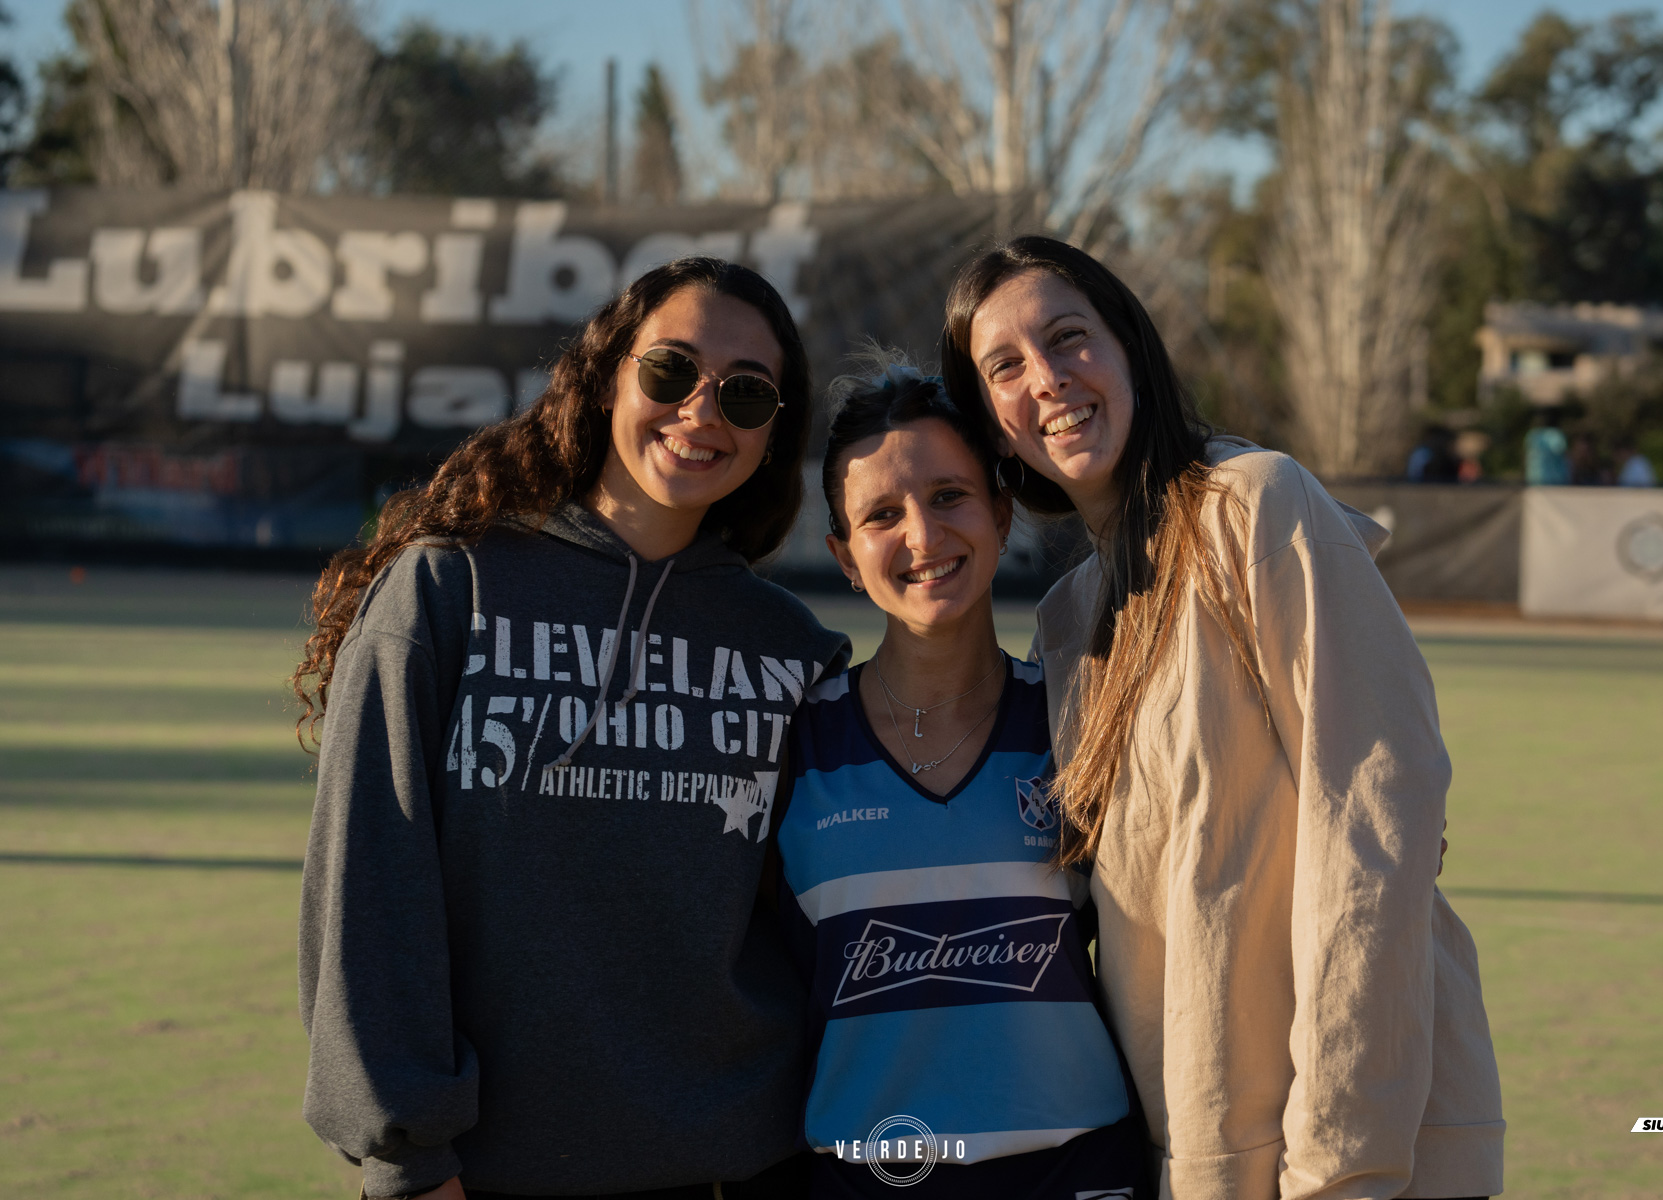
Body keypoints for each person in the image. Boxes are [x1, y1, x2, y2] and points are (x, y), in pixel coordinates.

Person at [940, 237, 1504, 1200]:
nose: (1048, 378)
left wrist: (1339, 1160)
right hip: (1198, 1146)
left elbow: (1373, 826)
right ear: (993, 426)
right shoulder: (1070, 619)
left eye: (1068, 337)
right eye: (1006, 366)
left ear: (1129, 348)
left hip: (1347, 1154)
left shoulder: (1255, 505)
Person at [292, 257, 848, 1200]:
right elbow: (370, 887)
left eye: (747, 393)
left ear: (772, 434)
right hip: (485, 1175)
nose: (702, 410)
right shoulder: (449, 590)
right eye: (671, 370)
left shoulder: (793, 649)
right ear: (603, 378)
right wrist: (410, 1159)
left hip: (742, 1168)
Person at [775, 360, 1149, 1199]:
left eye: (949, 496)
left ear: (1001, 514)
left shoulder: (1077, 721)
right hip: (870, 1174)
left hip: (1077, 1170)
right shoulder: (797, 742)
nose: (922, 535)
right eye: (881, 515)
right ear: (843, 556)